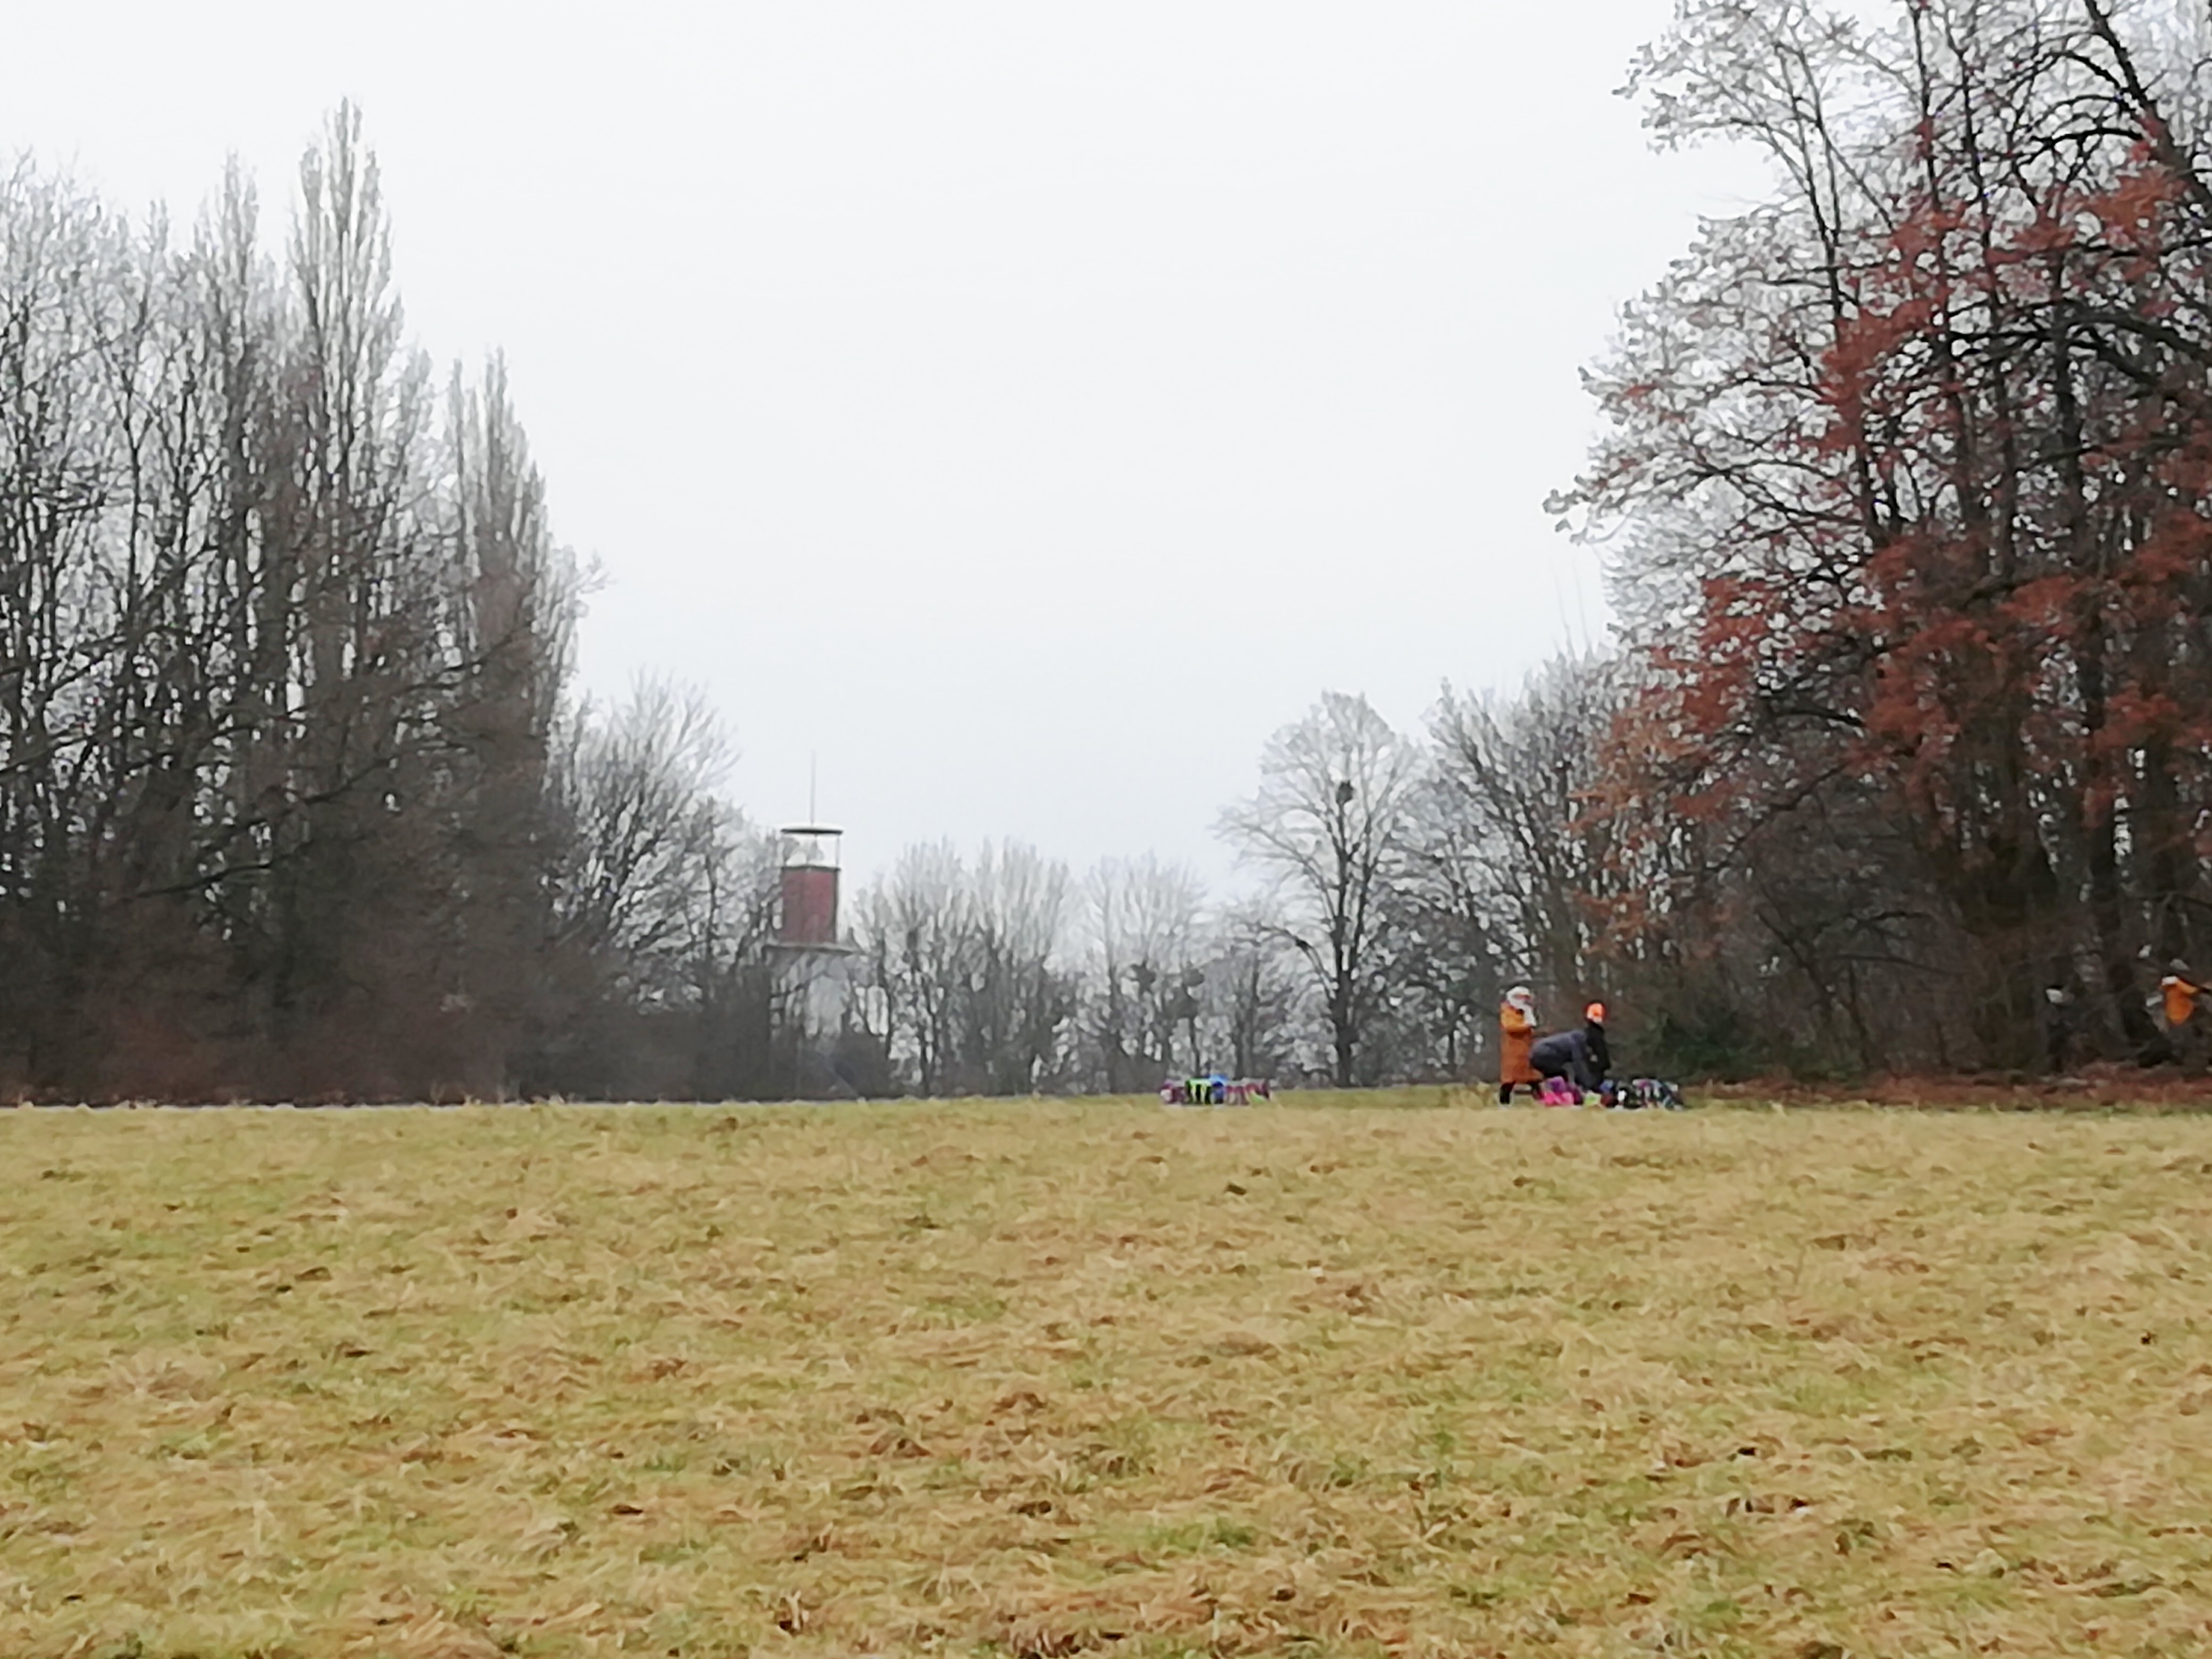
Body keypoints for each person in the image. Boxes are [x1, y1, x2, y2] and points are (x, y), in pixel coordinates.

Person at [1530, 1002, 1611, 1100]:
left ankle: (1544, 1092)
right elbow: (1579, 1064)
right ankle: (1549, 1094)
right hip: (1542, 1054)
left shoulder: (1575, 1037)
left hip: (1538, 1052)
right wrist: (1589, 1086)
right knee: (1561, 1075)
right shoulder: (1576, 1042)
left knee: (1560, 1074)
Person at [1498, 985, 1539, 1104]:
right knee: (1510, 1079)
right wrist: (1526, 1026)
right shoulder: (1508, 1011)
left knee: (1533, 1077)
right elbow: (1509, 1026)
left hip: (1527, 1049)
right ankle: (1504, 1103)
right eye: (1521, 997)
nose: (1524, 1000)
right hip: (1513, 1051)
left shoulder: (1526, 1011)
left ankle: (1541, 1100)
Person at [2161, 961, 2204, 1068]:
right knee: (2187, 1040)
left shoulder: (2168, 985)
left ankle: (2178, 1060)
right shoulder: (2178, 984)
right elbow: (2192, 991)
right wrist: (2204, 989)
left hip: (2173, 1015)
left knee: (2178, 1039)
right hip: (2182, 1016)